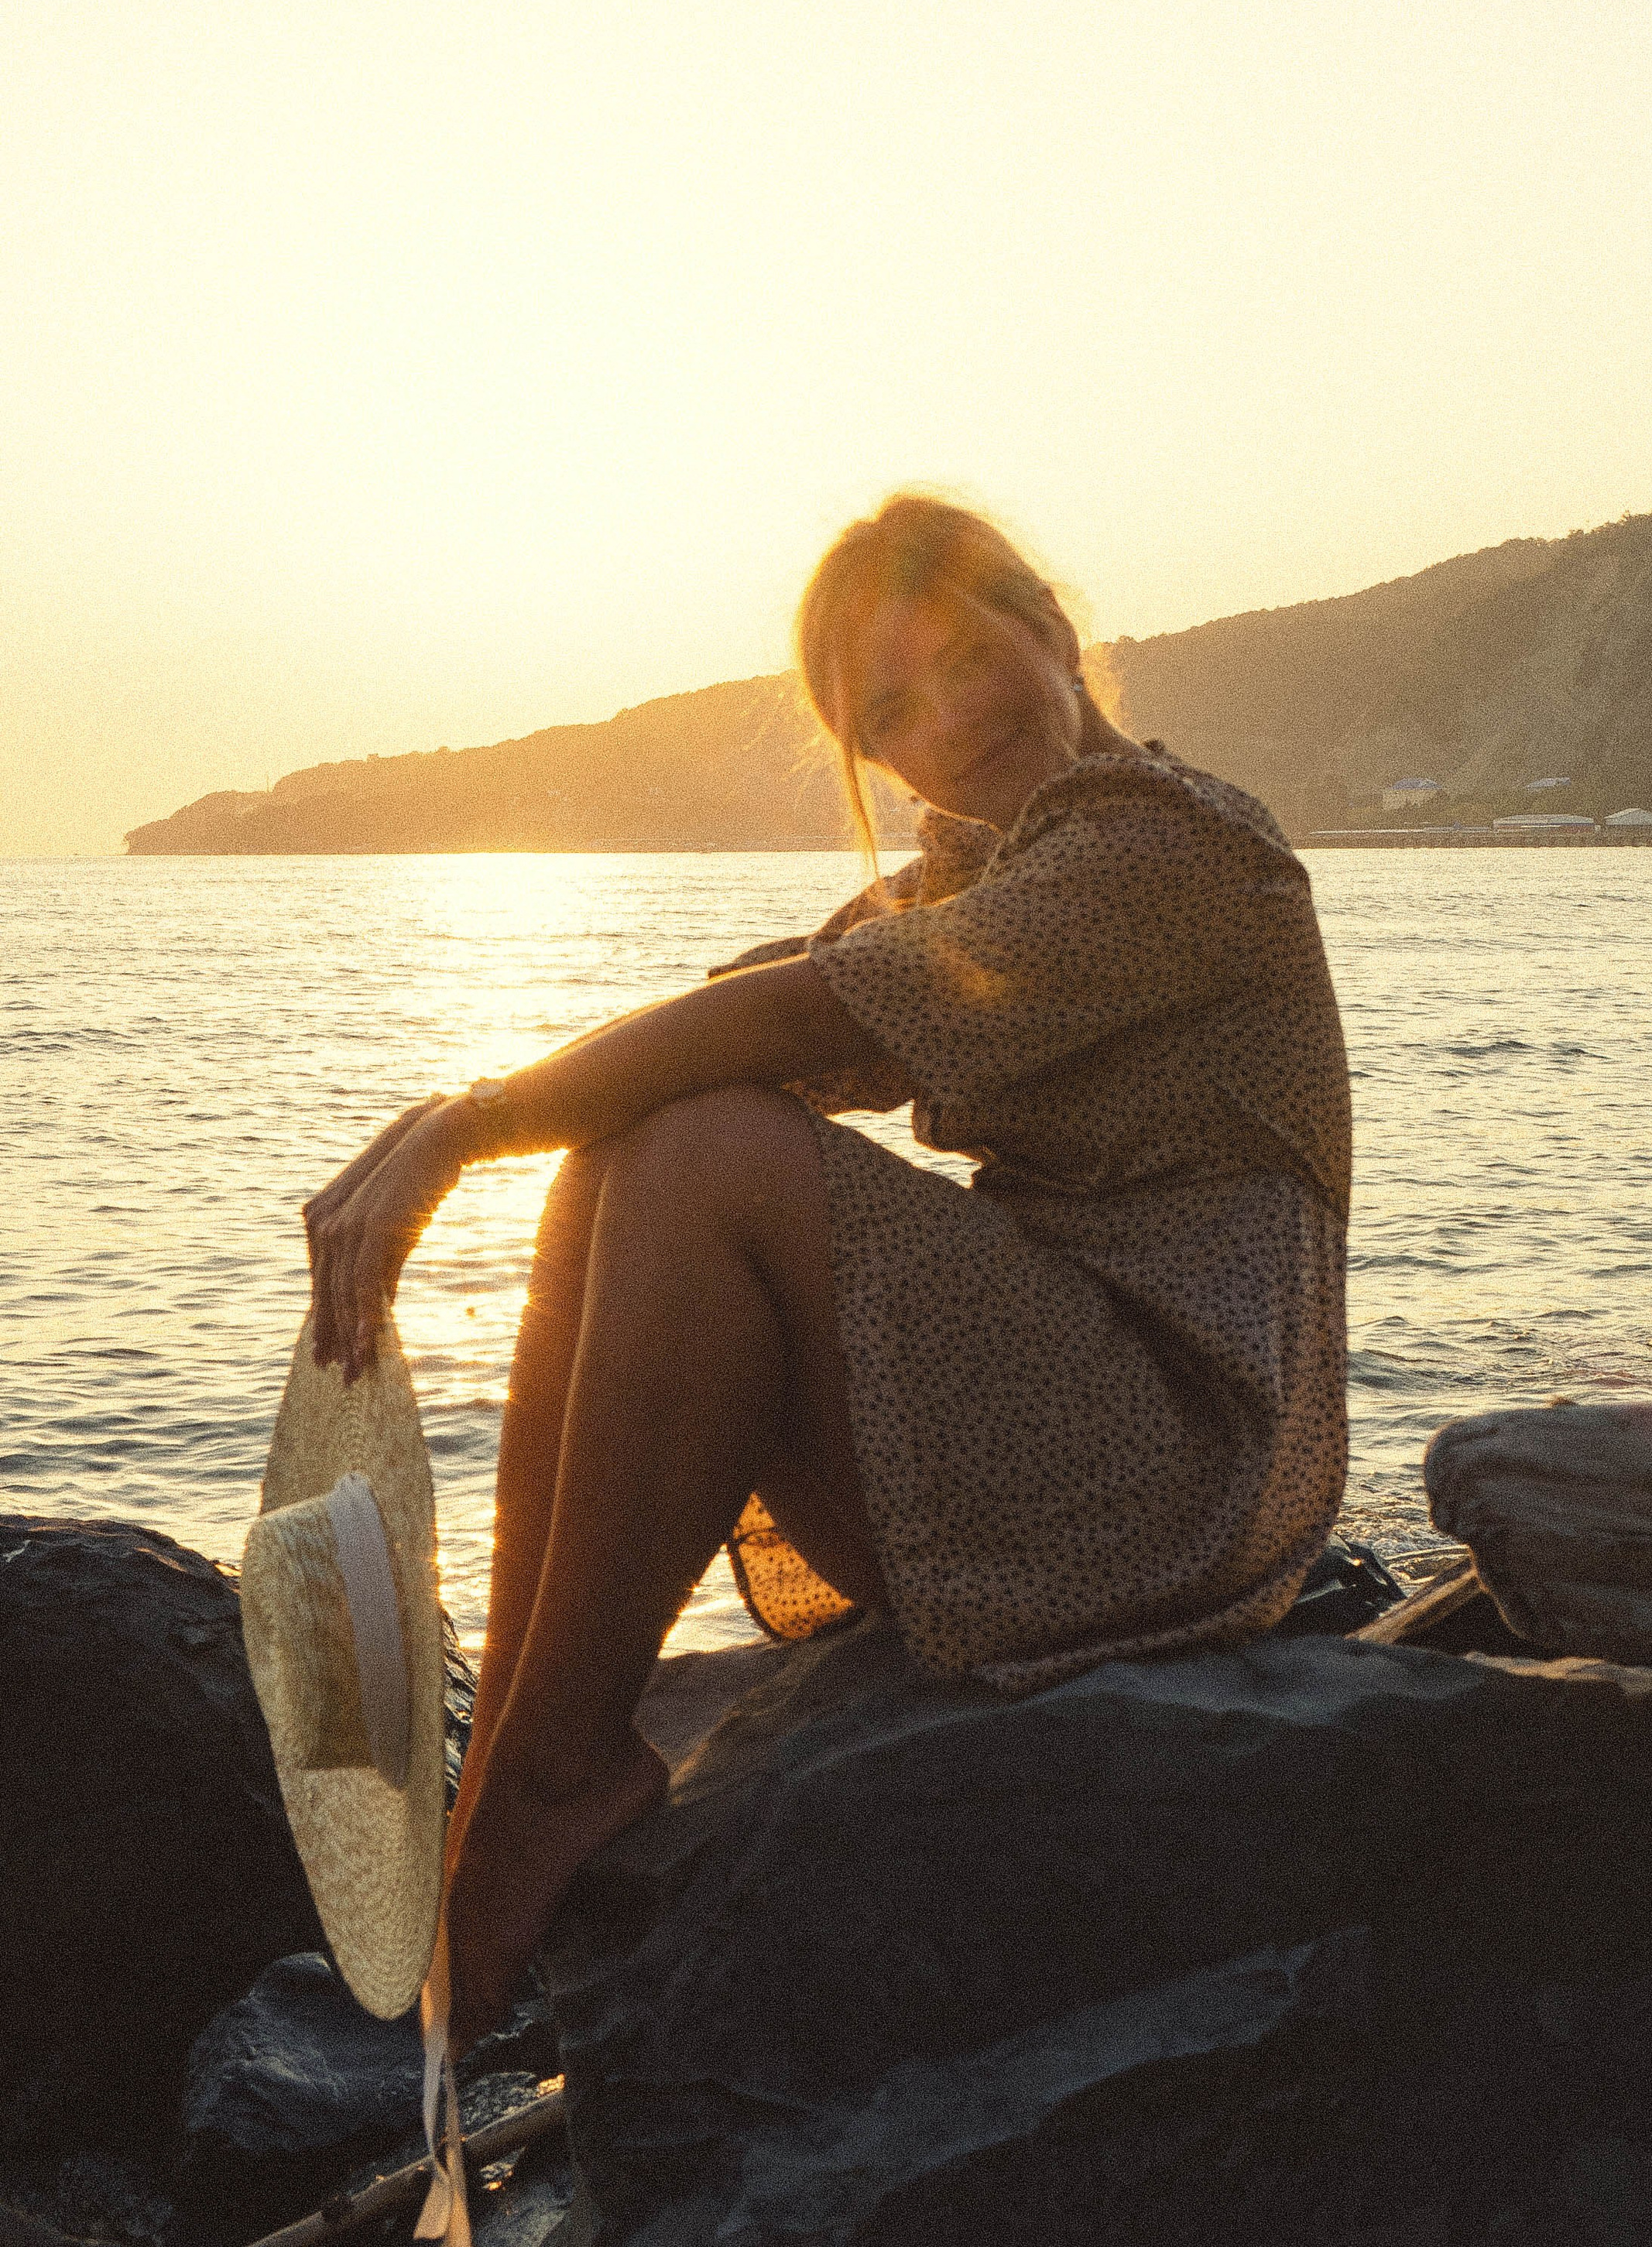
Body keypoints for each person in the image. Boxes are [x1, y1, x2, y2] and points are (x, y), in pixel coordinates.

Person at [303, 497, 1352, 2040]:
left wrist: (468, 1126)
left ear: (1047, 626)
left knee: (703, 1151)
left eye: (963, 660)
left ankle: (548, 1777)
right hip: (1049, 1461)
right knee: (635, 1143)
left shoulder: (1170, 846)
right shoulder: (981, 872)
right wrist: (516, 1110)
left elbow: (808, 1020)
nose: (949, 721)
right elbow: (768, 1000)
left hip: (1181, 1472)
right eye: (891, 716)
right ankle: (528, 1757)